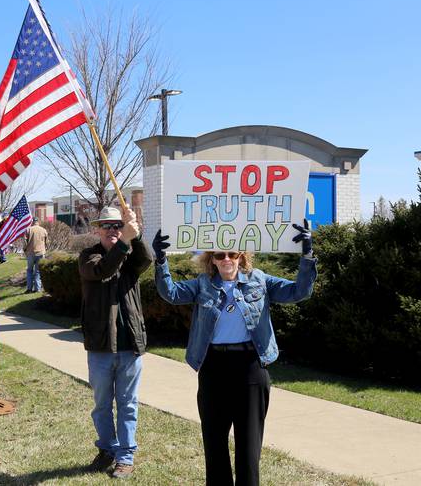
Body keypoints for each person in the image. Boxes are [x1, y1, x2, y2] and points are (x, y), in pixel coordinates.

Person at [152, 220, 316, 486]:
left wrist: (307, 254)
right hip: (213, 367)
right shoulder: (202, 284)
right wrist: (160, 259)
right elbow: (170, 293)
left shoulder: (261, 281)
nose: (226, 259)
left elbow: (299, 292)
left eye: (232, 253)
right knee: (214, 445)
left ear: (242, 256)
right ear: (212, 260)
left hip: (250, 367)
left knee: (249, 449)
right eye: (220, 254)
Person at [79, 206, 152, 480]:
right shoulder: (88, 257)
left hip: (130, 345)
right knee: (101, 405)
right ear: (97, 229)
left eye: (118, 225)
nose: (112, 229)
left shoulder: (130, 257)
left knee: (128, 405)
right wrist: (124, 241)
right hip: (100, 347)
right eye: (106, 225)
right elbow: (102, 271)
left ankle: (125, 457)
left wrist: (137, 232)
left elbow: (146, 259)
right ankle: (107, 449)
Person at [24, 217, 48, 293]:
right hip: (41, 252)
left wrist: (24, 249)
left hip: (31, 253)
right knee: (38, 271)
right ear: (38, 222)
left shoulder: (28, 229)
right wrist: (45, 249)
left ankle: (29, 288)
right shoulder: (43, 230)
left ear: (32, 222)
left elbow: (25, 242)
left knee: (29, 271)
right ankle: (37, 289)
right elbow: (47, 242)